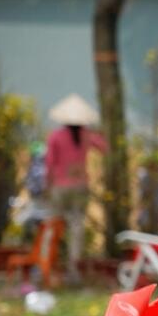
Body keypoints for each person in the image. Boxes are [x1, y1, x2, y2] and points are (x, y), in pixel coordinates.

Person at [43, 95, 105, 262]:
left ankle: (48, 261)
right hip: (80, 187)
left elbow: (49, 164)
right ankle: (73, 264)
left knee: (53, 224)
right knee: (77, 226)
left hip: (60, 187)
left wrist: (47, 185)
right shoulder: (87, 135)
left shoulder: (55, 136)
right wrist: (98, 131)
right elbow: (104, 147)